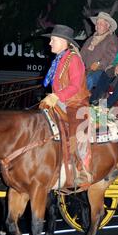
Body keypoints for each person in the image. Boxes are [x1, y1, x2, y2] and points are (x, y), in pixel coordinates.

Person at [39, 24, 91, 185]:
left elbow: (75, 87)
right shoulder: (60, 59)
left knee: (76, 131)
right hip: (60, 101)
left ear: (63, 41)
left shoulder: (73, 59)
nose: (50, 43)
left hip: (75, 104)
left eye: (53, 40)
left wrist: (56, 96)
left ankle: (82, 169)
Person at [80, 12, 118, 91]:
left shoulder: (111, 38)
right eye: (97, 23)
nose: (98, 26)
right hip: (87, 70)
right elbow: (81, 55)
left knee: (89, 79)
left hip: (103, 71)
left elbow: (110, 56)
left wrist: (99, 63)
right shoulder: (90, 40)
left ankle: (80, 100)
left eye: (101, 23)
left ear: (108, 26)